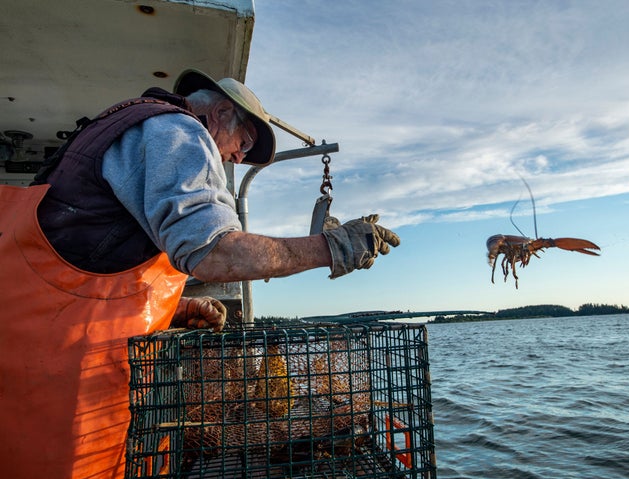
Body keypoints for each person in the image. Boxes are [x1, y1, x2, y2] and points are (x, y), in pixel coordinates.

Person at [0, 69, 399, 479]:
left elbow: (77, 269)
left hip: (30, 362)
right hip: (68, 390)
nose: (239, 158)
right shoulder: (177, 131)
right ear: (221, 112)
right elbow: (215, 252)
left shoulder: (125, 129)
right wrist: (334, 247)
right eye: (243, 143)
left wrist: (175, 308)